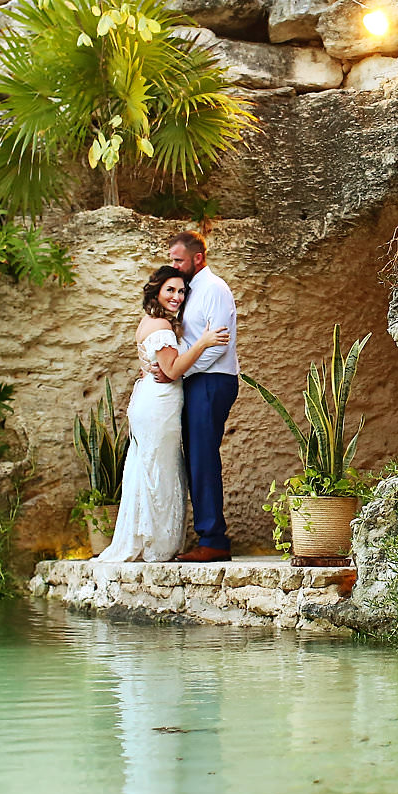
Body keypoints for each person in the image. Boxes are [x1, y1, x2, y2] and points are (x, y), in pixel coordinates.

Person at [98, 266, 230, 563]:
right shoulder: (160, 326)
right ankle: (155, 544)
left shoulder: (153, 321)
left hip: (155, 400)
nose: (177, 296)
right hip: (159, 404)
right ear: (156, 291)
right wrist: (203, 342)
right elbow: (170, 371)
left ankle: (150, 540)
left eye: (182, 291)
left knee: (154, 466)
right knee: (160, 469)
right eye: (170, 290)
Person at [148, 232, 240, 563]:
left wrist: (176, 371)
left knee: (202, 458)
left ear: (197, 258)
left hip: (212, 380)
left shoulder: (214, 289)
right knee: (195, 458)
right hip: (197, 380)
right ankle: (208, 535)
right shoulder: (190, 291)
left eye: (178, 260)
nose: (173, 265)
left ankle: (214, 540)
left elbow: (219, 344)